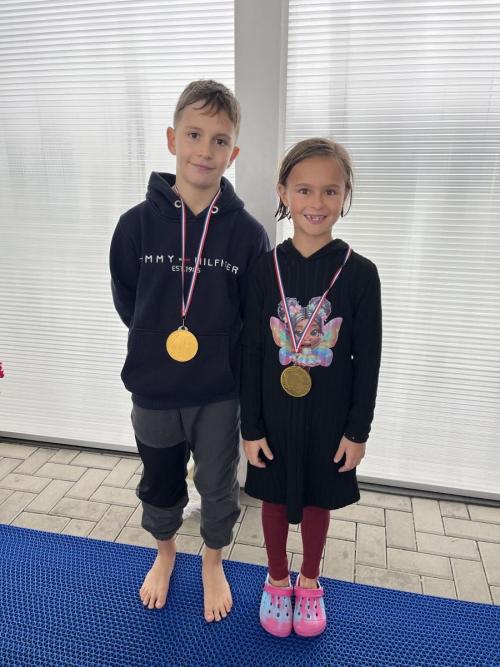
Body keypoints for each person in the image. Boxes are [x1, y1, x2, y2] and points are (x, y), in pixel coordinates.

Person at [110, 80, 269, 622]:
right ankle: (165, 552)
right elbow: (128, 300)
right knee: (159, 480)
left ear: (233, 153)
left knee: (218, 485)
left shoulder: (247, 235)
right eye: (195, 135)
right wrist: (157, 343)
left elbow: (251, 318)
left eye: (219, 140)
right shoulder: (134, 226)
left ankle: (213, 559)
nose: (205, 150)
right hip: (154, 387)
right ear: (172, 139)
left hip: (218, 392)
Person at [240, 138, 382, 638]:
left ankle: (310, 579)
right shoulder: (264, 269)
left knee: (319, 498)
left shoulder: (361, 274)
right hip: (274, 414)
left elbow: (368, 361)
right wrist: (250, 426)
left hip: (329, 416)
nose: (316, 202)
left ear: (345, 196)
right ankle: (277, 580)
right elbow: (251, 353)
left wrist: (357, 431)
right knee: (274, 497)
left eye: (330, 190)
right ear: (283, 192)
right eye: (304, 190)